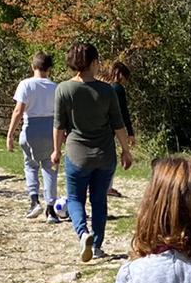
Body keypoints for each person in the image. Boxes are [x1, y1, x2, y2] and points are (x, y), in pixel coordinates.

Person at [53, 42, 132, 261]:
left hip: (77, 155)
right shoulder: (107, 90)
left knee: (75, 198)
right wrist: (126, 151)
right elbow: (118, 125)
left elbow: (59, 125)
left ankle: (83, 233)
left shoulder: (64, 89)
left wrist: (56, 151)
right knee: (99, 200)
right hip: (105, 155)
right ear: (94, 62)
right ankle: (96, 246)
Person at [4, 53, 60, 221]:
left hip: (31, 129)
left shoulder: (26, 84)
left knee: (30, 165)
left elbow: (18, 111)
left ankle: (34, 201)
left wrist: (10, 134)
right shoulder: (56, 87)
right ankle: (51, 208)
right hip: (51, 129)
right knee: (50, 168)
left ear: (33, 66)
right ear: (50, 69)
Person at [106, 61, 135, 198]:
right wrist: (130, 133)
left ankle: (100, 185)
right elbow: (124, 112)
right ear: (122, 75)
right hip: (111, 127)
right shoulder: (118, 88)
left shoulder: (106, 87)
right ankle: (107, 187)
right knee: (111, 158)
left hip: (101, 126)